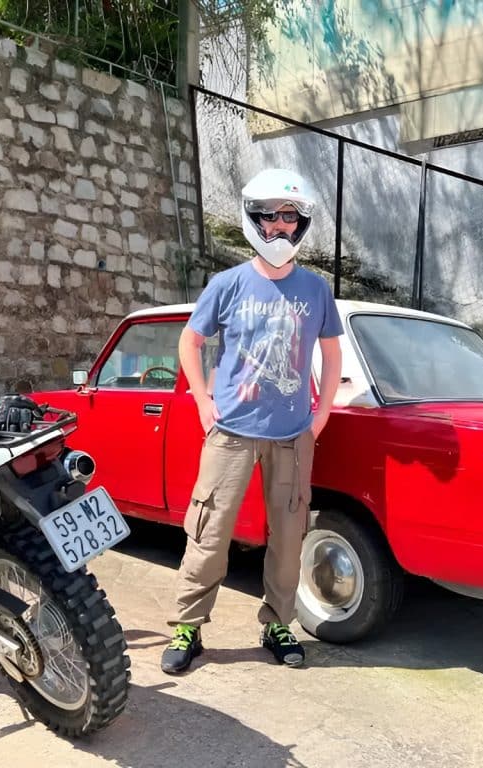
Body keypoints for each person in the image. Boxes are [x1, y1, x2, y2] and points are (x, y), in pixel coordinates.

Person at [160, 168, 344, 674]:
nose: (281, 227)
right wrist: (202, 400)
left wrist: (320, 415)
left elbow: (331, 356)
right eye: (271, 216)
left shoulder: (315, 290)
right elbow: (189, 342)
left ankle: (278, 624)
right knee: (209, 531)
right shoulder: (228, 284)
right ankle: (187, 627)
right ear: (254, 220)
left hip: (291, 436)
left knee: (288, 540)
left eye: (290, 217)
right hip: (232, 433)